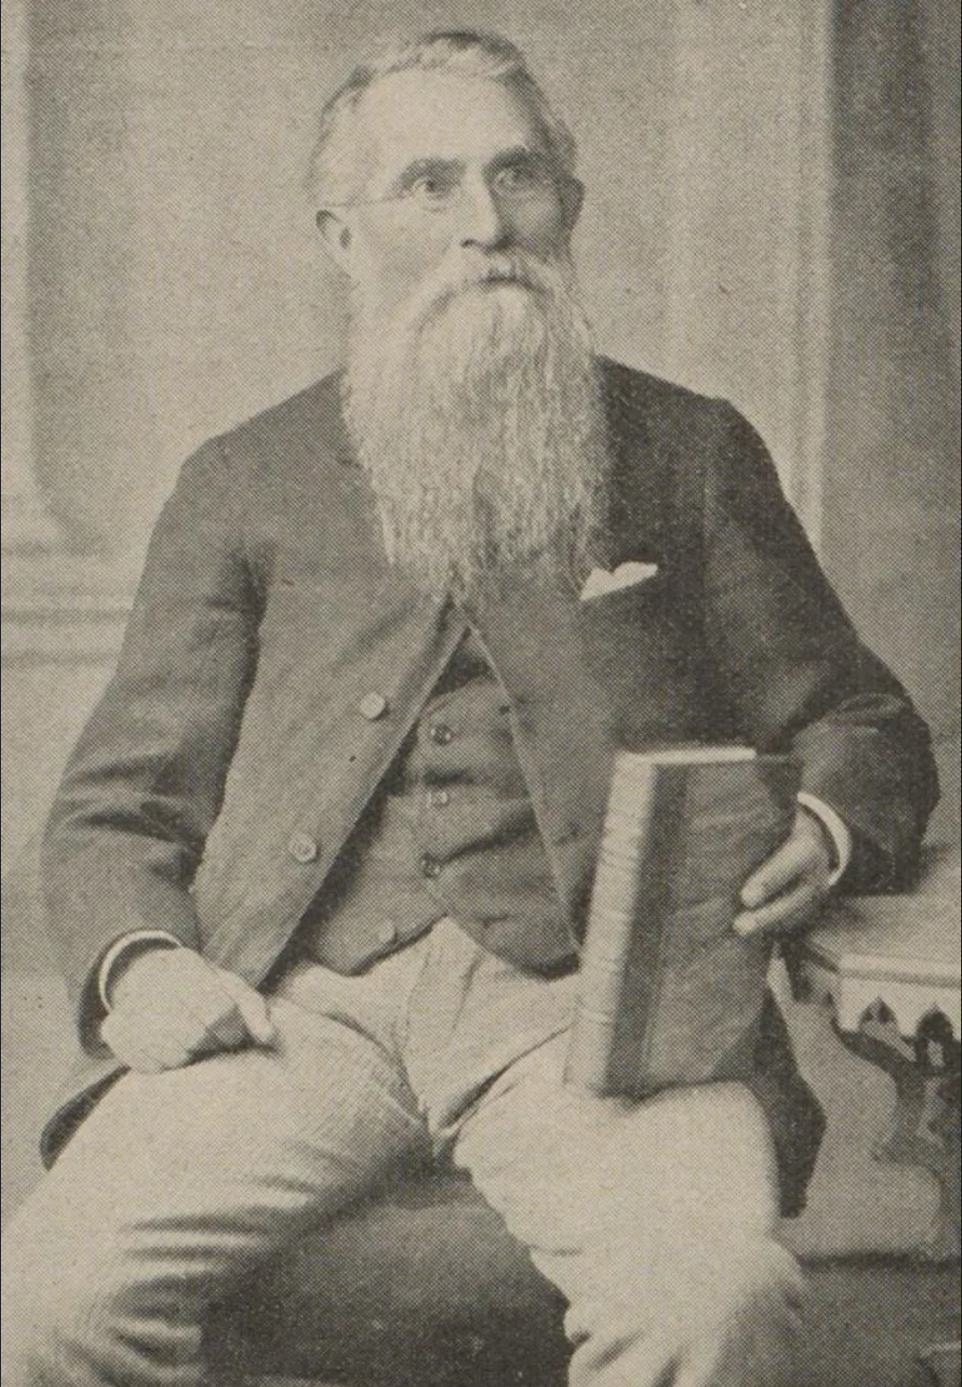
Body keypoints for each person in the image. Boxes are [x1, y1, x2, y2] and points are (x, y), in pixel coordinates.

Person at [1, 29, 938, 1387]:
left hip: (597, 1012)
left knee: (707, 1297)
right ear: (343, 236)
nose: (485, 226)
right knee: (39, 1302)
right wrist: (143, 964)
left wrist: (825, 824)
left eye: (518, 176)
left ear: (570, 204)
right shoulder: (242, 479)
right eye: (427, 184)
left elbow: (861, 721)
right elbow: (115, 804)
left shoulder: (688, 450)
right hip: (300, 1005)